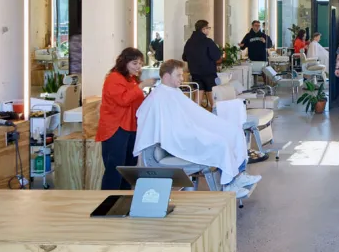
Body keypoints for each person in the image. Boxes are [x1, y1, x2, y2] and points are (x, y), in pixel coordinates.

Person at [133, 59, 259, 198]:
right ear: (167, 76)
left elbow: (194, 115)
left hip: (187, 132)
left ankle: (239, 175)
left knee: (233, 131)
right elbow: (166, 127)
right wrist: (195, 131)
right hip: (178, 139)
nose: (182, 78)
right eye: (179, 75)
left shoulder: (173, 92)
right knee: (220, 143)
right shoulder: (158, 96)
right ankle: (229, 184)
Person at [97, 47, 155, 191]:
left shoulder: (132, 79)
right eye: (135, 63)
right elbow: (123, 100)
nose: (138, 67)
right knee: (115, 167)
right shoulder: (114, 78)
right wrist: (142, 86)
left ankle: (124, 199)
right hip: (115, 128)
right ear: (124, 62)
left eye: (140, 64)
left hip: (130, 127)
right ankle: (108, 201)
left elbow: (136, 102)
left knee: (128, 167)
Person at [182, 20, 222, 109]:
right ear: (203, 29)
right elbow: (216, 56)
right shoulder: (207, 41)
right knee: (213, 98)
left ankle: (196, 117)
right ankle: (216, 116)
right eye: (208, 28)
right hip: (209, 73)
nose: (209, 30)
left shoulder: (189, 42)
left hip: (195, 73)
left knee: (198, 96)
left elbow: (184, 57)